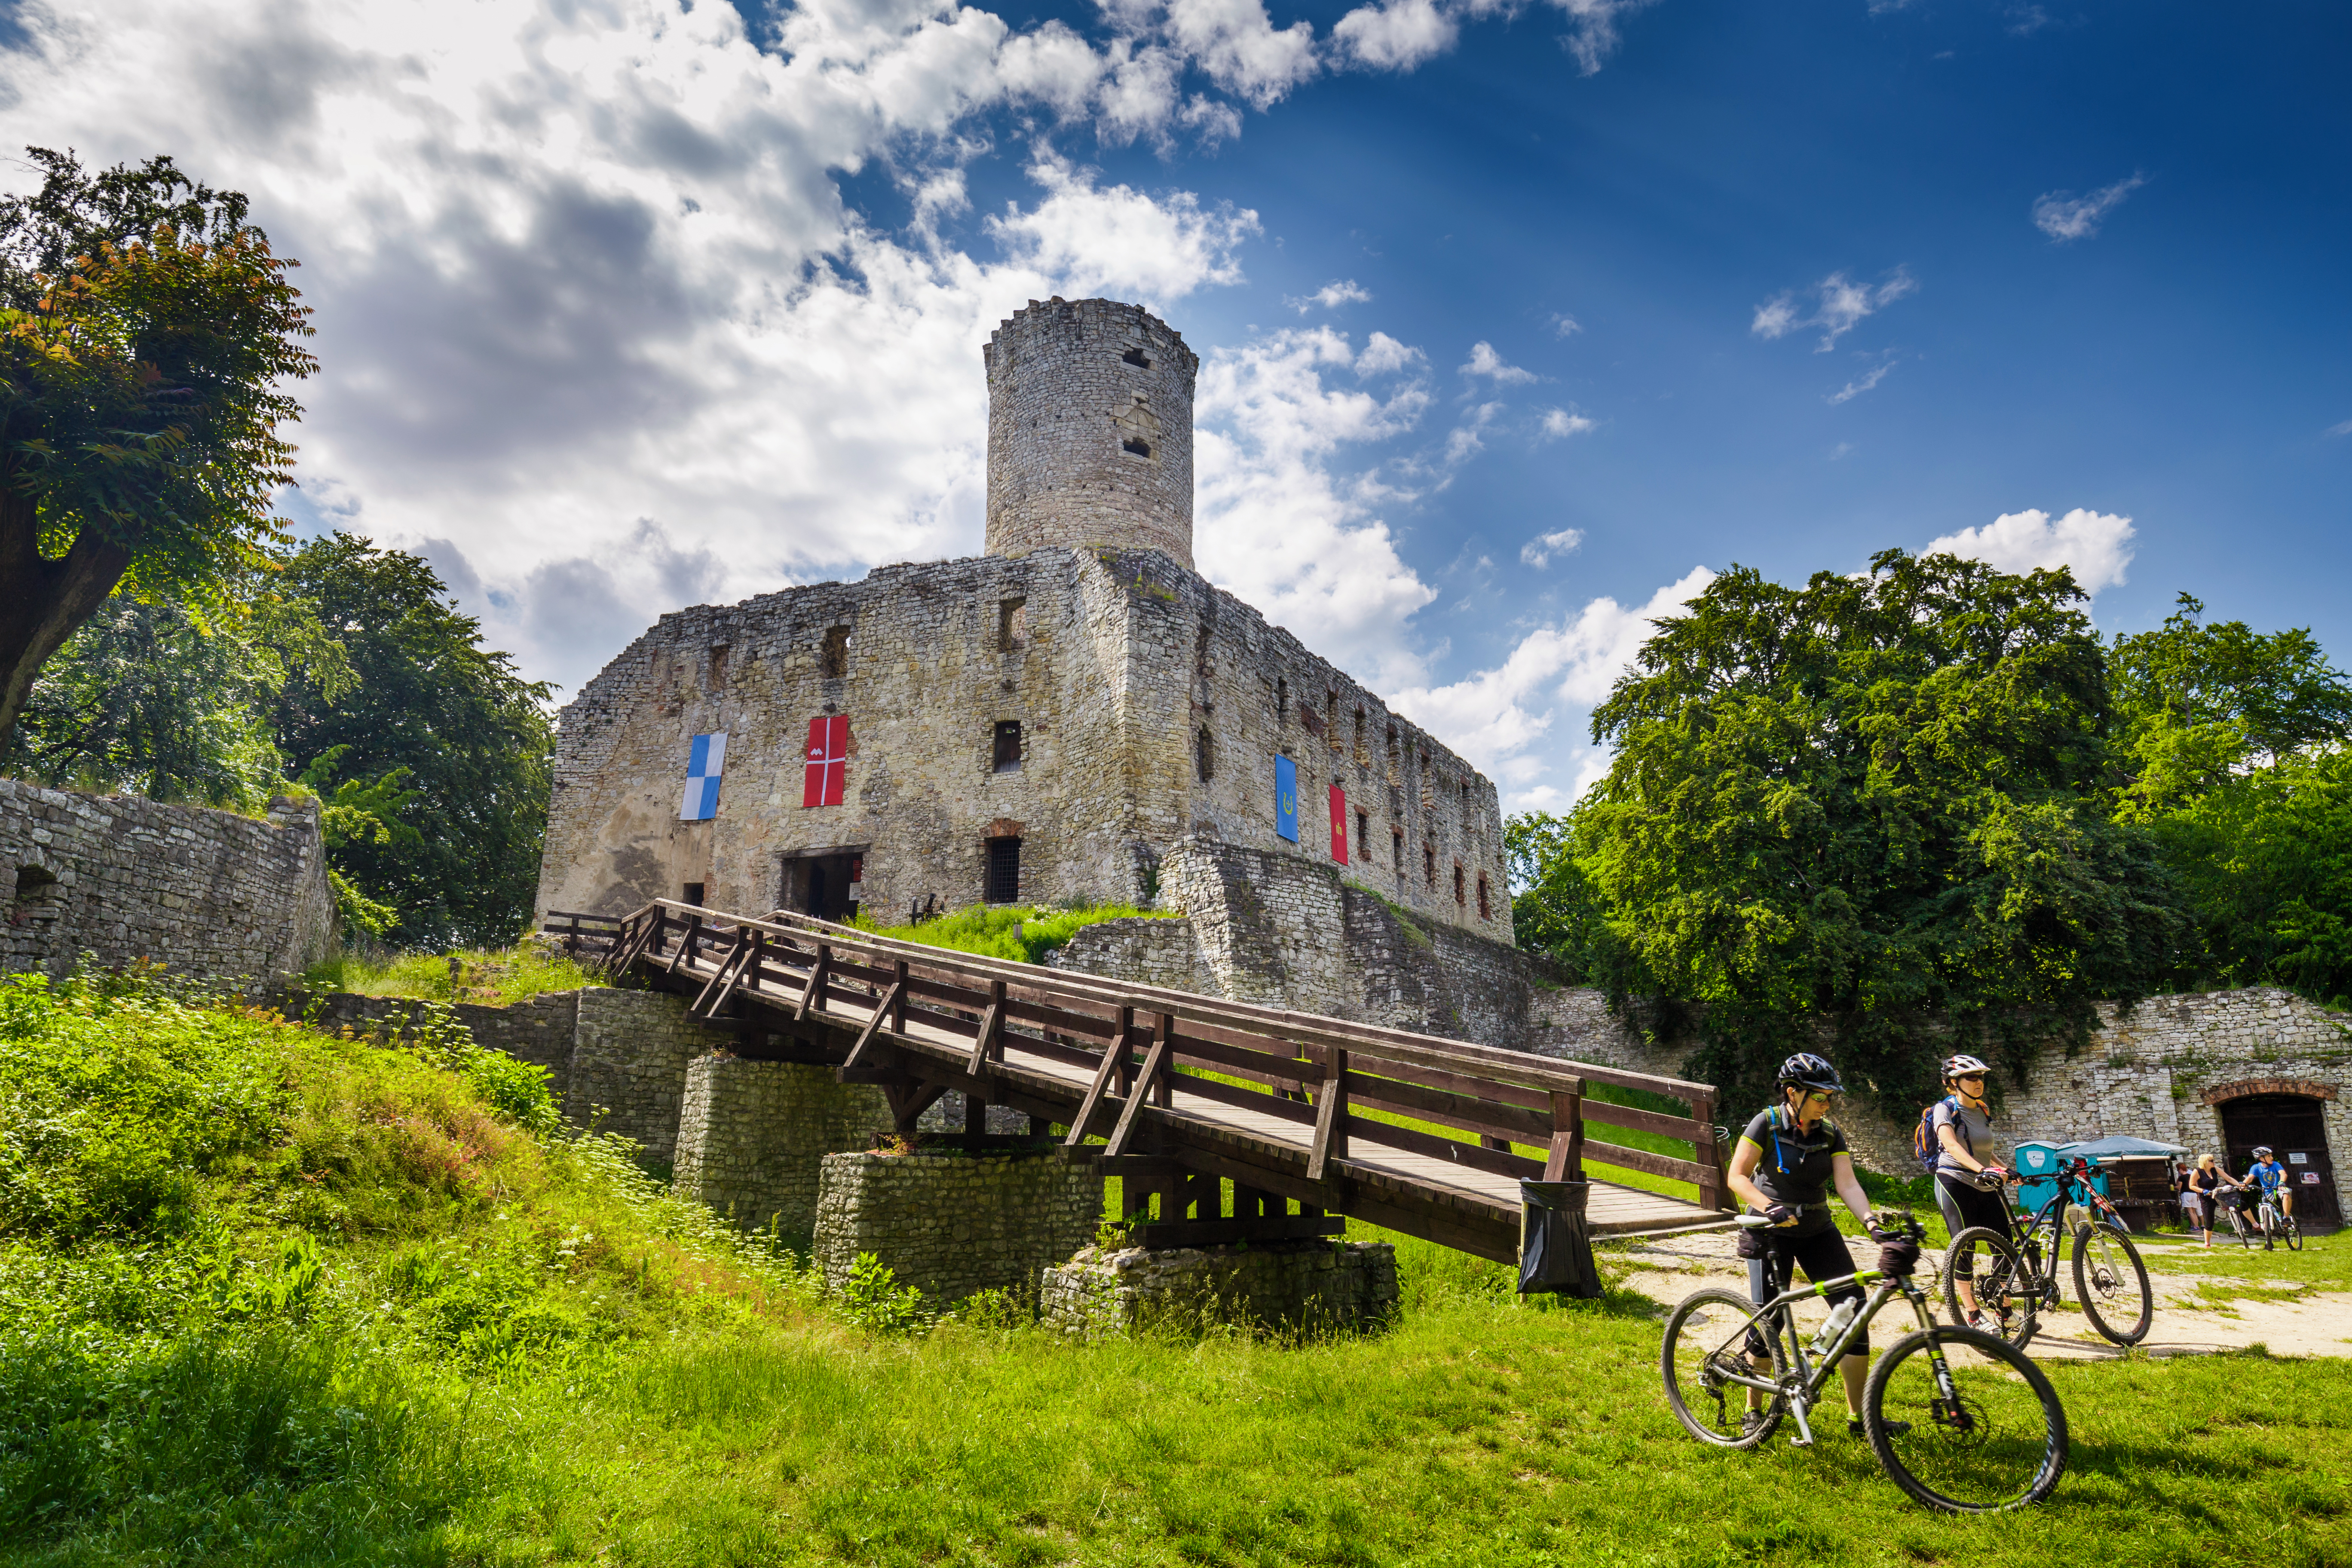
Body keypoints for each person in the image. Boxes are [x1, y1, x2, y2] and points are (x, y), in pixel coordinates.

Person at [1725, 1052, 1902, 1439]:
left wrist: (1871, 1223)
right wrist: (1769, 1207)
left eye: (1829, 1098)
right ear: (1793, 1093)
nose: (1827, 1104)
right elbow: (1737, 1178)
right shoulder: (1767, 1123)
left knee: (1853, 1308)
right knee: (1769, 1319)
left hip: (1817, 1228)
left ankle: (1861, 1419)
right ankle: (1753, 1411)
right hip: (1770, 1229)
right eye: (1821, 1097)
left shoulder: (1829, 1133)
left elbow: (1847, 1183)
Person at [1925, 1055, 2012, 1327]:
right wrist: (1981, 1169)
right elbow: (1951, 1145)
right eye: (1971, 1077)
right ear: (1953, 1083)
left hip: (1983, 1182)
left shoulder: (1982, 1109)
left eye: (1980, 1077)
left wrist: (2003, 1167)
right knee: (1965, 1246)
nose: (1978, 1082)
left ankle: (2004, 1309)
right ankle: (1973, 1315)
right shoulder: (1945, 1109)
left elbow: (1984, 1148)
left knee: (2006, 1245)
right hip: (1953, 1182)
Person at [2244, 1145, 2294, 1243]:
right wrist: (2243, 1184)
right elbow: (2250, 1178)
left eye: (2271, 1156)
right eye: (2269, 1156)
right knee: (2265, 1212)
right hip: (2267, 1191)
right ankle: (2269, 1241)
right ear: (2262, 1158)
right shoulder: (2256, 1167)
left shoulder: (2275, 1165)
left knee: (2286, 1193)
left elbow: (2283, 1174)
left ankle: (2286, 1218)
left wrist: (2282, 1182)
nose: (2272, 1158)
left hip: (2279, 1188)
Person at [2182, 1153, 2225, 1248]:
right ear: (2205, 1162)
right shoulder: (2197, 1171)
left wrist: (2240, 1185)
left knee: (2236, 1205)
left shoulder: (2215, 1169)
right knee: (2210, 1222)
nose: (2214, 1162)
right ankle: (2207, 1243)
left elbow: (2228, 1178)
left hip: (2216, 1195)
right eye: (2212, 1161)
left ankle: (2248, 1226)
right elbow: (2191, 1186)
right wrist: (2203, 1191)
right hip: (2206, 1197)